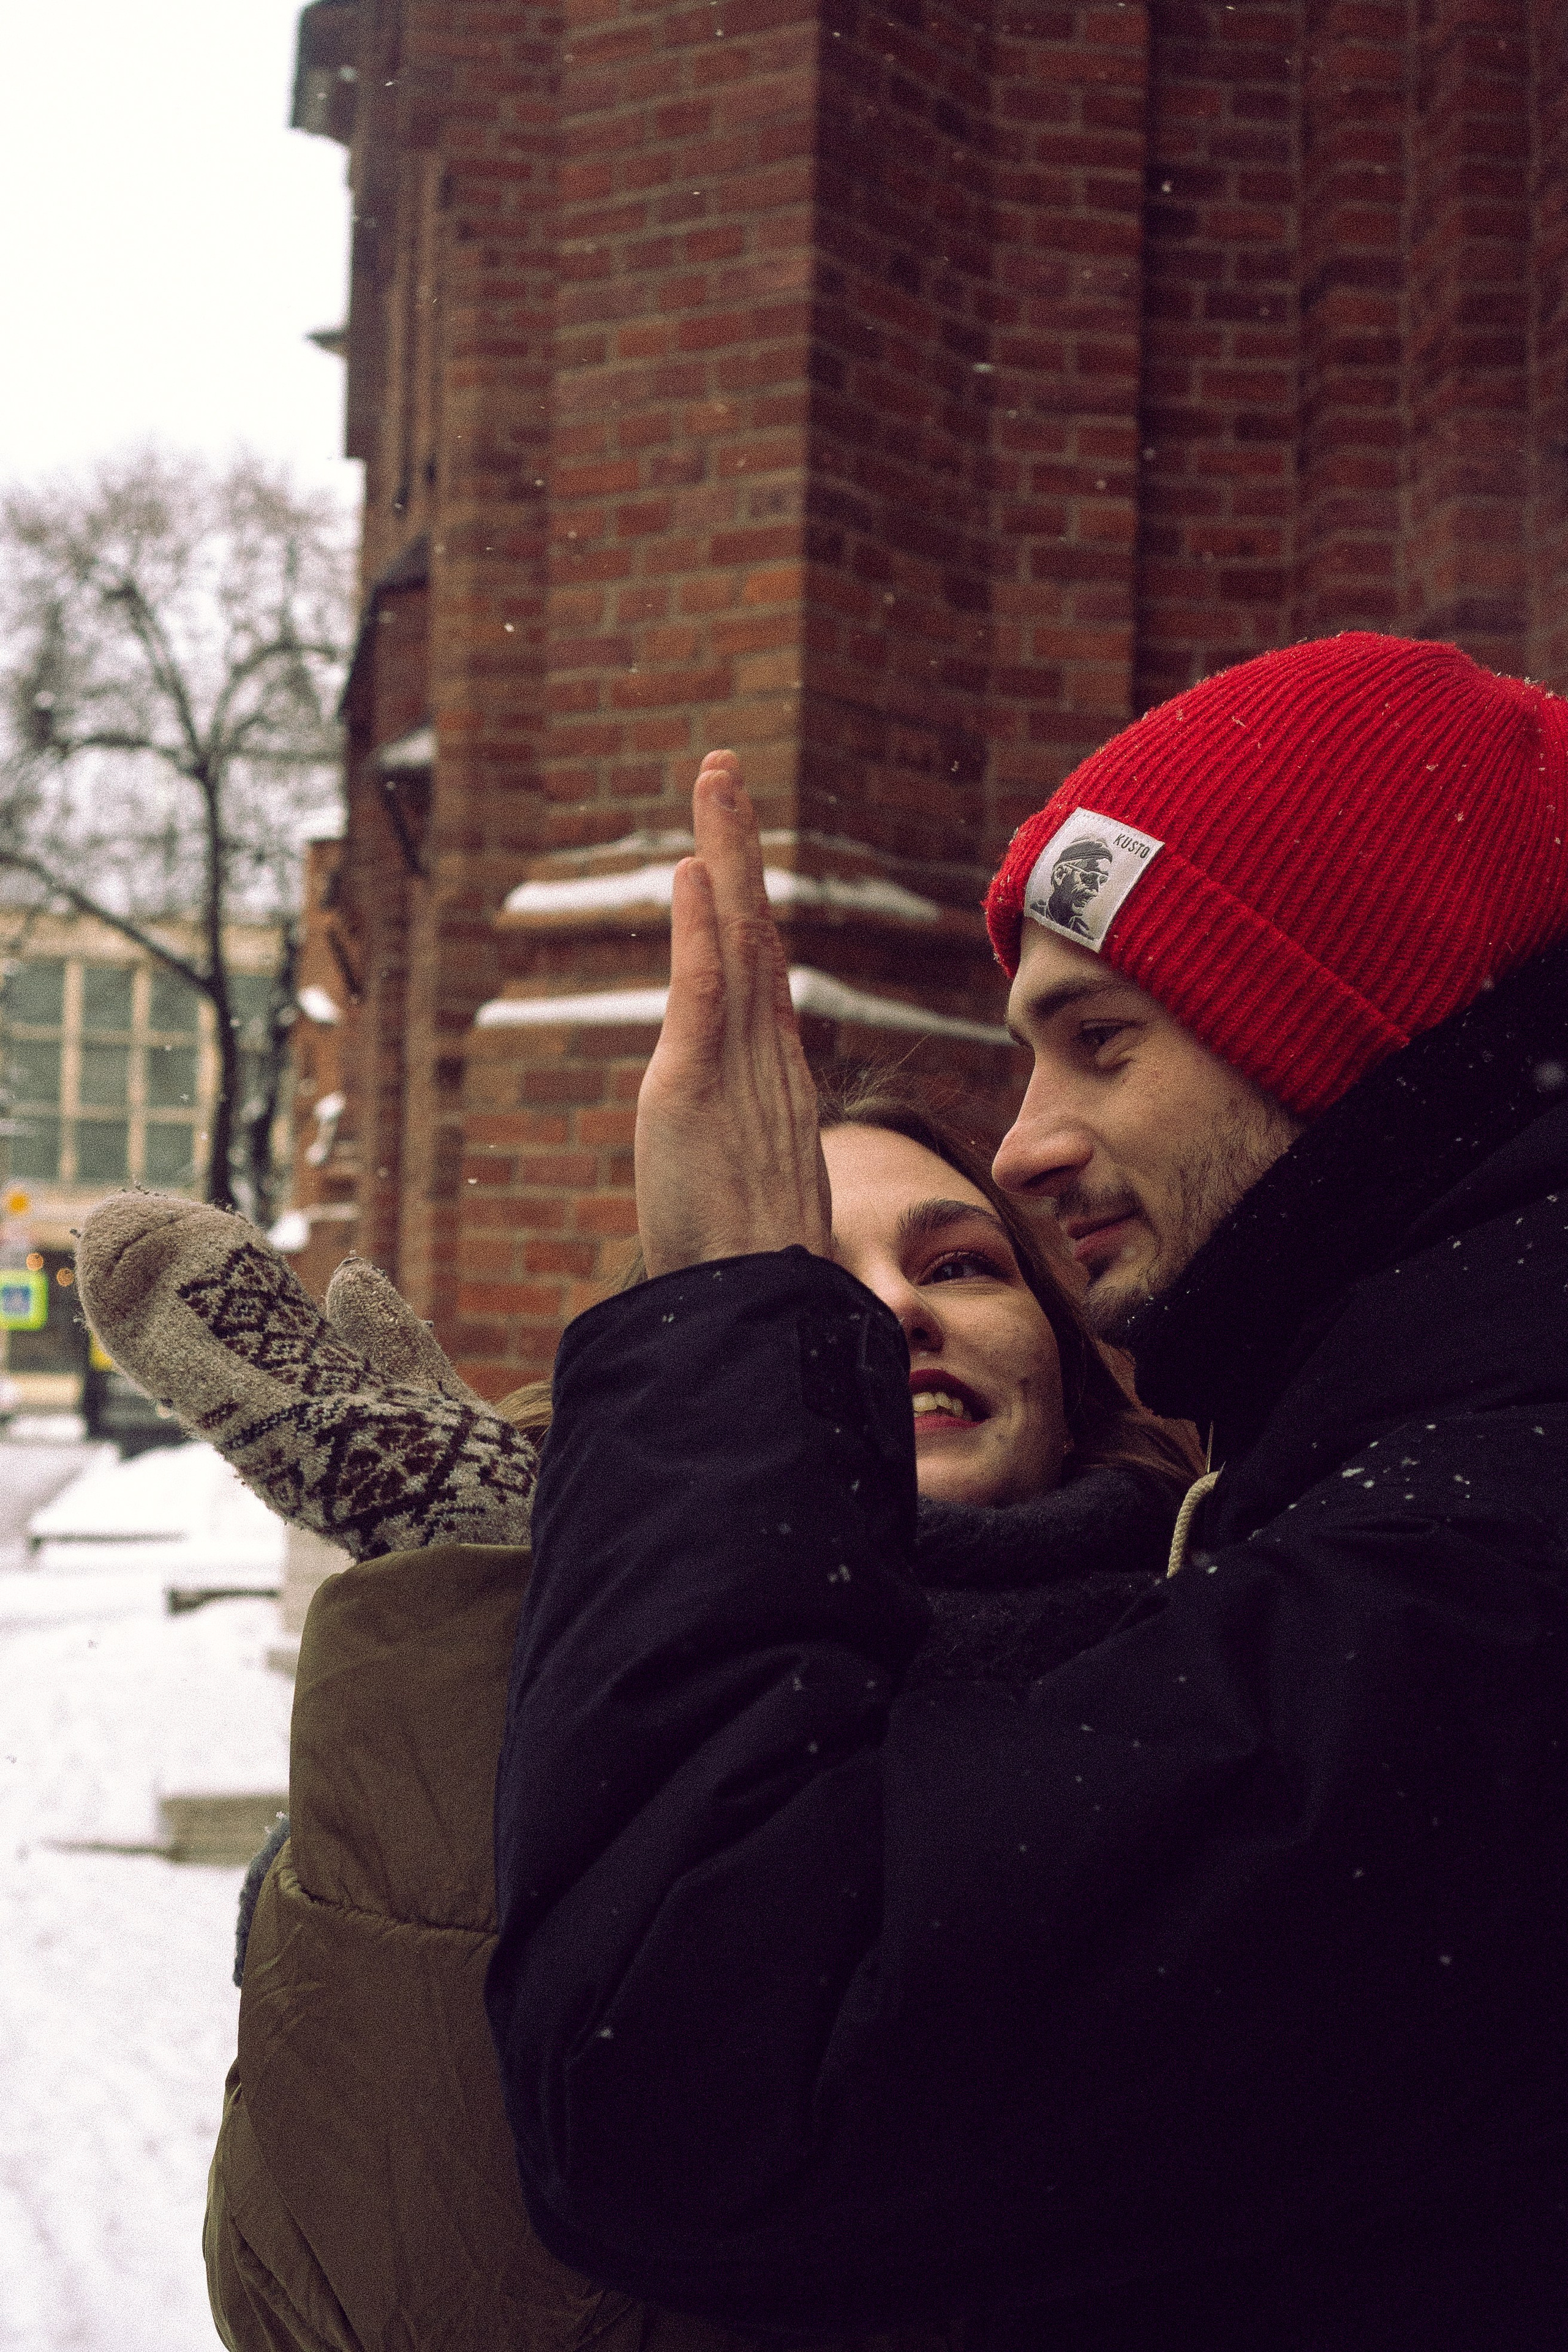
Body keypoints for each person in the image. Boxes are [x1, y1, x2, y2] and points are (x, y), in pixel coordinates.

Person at [486, 633, 1568, 2350]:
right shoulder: (1376, 1484)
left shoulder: (1476, 1551)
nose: (1025, 1139)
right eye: (813, 1287)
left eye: (1101, 1040)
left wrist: (725, 1332)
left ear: (1350, 1018)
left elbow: (704, 2075)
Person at [74, 1079, 1194, 2352]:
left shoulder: (1229, 1650)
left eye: (959, 1263)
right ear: (684, 1363)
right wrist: (498, 1601)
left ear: (1059, 1347)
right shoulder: (510, 1686)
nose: (891, 1309)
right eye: (796, 1280)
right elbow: (363, 2304)